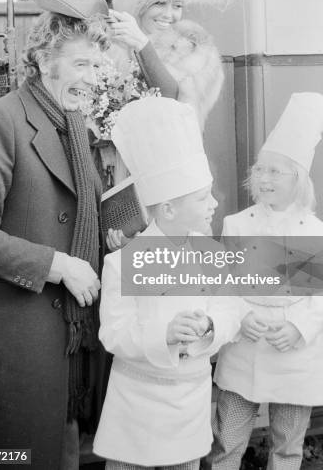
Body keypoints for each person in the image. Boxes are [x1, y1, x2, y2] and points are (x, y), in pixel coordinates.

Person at [0, 0, 178, 470]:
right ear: (42, 61)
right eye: (82, 64)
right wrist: (58, 264)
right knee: (9, 458)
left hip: (69, 338)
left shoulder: (79, 122)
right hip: (18, 339)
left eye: (98, 65)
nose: (93, 77)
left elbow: (170, 102)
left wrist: (112, 235)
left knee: (59, 450)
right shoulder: (0, 118)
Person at [93, 97, 241, 469]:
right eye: (202, 197)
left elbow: (231, 310)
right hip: (135, 412)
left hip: (188, 413)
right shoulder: (122, 262)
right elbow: (114, 334)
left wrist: (211, 326)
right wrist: (167, 334)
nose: (213, 204)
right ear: (169, 209)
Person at [206, 92, 323, 470]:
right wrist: (242, 317)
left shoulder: (316, 231)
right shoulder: (236, 224)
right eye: (260, 170)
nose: (264, 179)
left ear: (297, 179)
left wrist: (298, 327)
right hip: (245, 347)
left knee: (287, 447)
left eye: (275, 172)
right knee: (228, 442)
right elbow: (223, 284)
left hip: (294, 352)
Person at [110, 0, 224, 129]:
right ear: (139, 4)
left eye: (177, 5)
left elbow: (175, 104)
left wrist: (143, 45)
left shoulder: (194, 48)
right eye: (160, 3)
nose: (168, 14)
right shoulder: (114, 48)